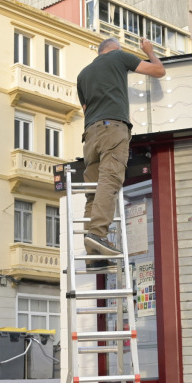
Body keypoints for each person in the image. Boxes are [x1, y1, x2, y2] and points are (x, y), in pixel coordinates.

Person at [76, 37, 165, 257]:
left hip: (90, 134)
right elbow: (158, 71)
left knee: (93, 192)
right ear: (114, 48)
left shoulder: (83, 75)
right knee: (110, 179)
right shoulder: (118, 56)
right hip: (113, 128)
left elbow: (86, 108)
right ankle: (97, 234)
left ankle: (92, 254)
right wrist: (150, 51)